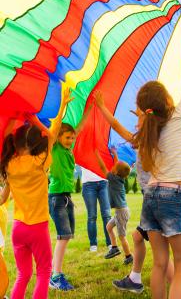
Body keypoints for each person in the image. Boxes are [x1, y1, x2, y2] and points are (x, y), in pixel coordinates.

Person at [132, 26, 181, 299]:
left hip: (151, 195)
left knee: (160, 264)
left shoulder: (149, 130)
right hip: (174, 196)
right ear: (167, 101)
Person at [94, 92, 174, 293]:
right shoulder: (157, 137)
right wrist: (142, 115)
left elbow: (116, 125)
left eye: (138, 119)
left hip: (155, 199)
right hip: (156, 198)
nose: (135, 124)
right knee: (138, 238)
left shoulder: (146, 139)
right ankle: (135, 279)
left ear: (147, 120)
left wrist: (102, 106)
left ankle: (177, 286)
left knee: (161, 255)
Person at [0, 110, 61, 298]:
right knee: (44, 272)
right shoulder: (40, 161)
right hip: (38, 228)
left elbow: (3, 198)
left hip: (18, 229)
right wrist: (36, 120)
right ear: (36, 144)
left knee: (23, 274)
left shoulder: (10, 164)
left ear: (16, 143)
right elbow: (52, 135)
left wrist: (12, 117)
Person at [49, 89, 92, 291]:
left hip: (66, 198)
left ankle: (56, 272)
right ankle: (55, 276)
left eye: (72, 138)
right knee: (63, 236)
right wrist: (63, 105)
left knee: (66, 236)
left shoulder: (68, 149)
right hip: (57, 197)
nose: (70, 141)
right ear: (58, 137)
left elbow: (80, 128)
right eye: (67, 137)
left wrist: (91, 106)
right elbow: (56, 126)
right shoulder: (55, 148)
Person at [95, 148, 133, 265]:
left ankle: (129, 256)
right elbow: (117, 166)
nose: (112, 167)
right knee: (109, 227)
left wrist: (96, 153)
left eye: (114, 167)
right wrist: (115, 154)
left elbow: (102, 168)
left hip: (121, 212)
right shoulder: (119, 177)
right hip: (120, 211)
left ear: (115, 172)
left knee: (122, 236)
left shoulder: (113, 178)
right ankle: (114, 248)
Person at [81, 166, 111, 252]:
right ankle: (93, 244)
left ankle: (110, 243)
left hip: (104, 183)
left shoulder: (103, 151)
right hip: (88, 184)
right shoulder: (83, 152)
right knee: (92, 216)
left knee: (107, 215)